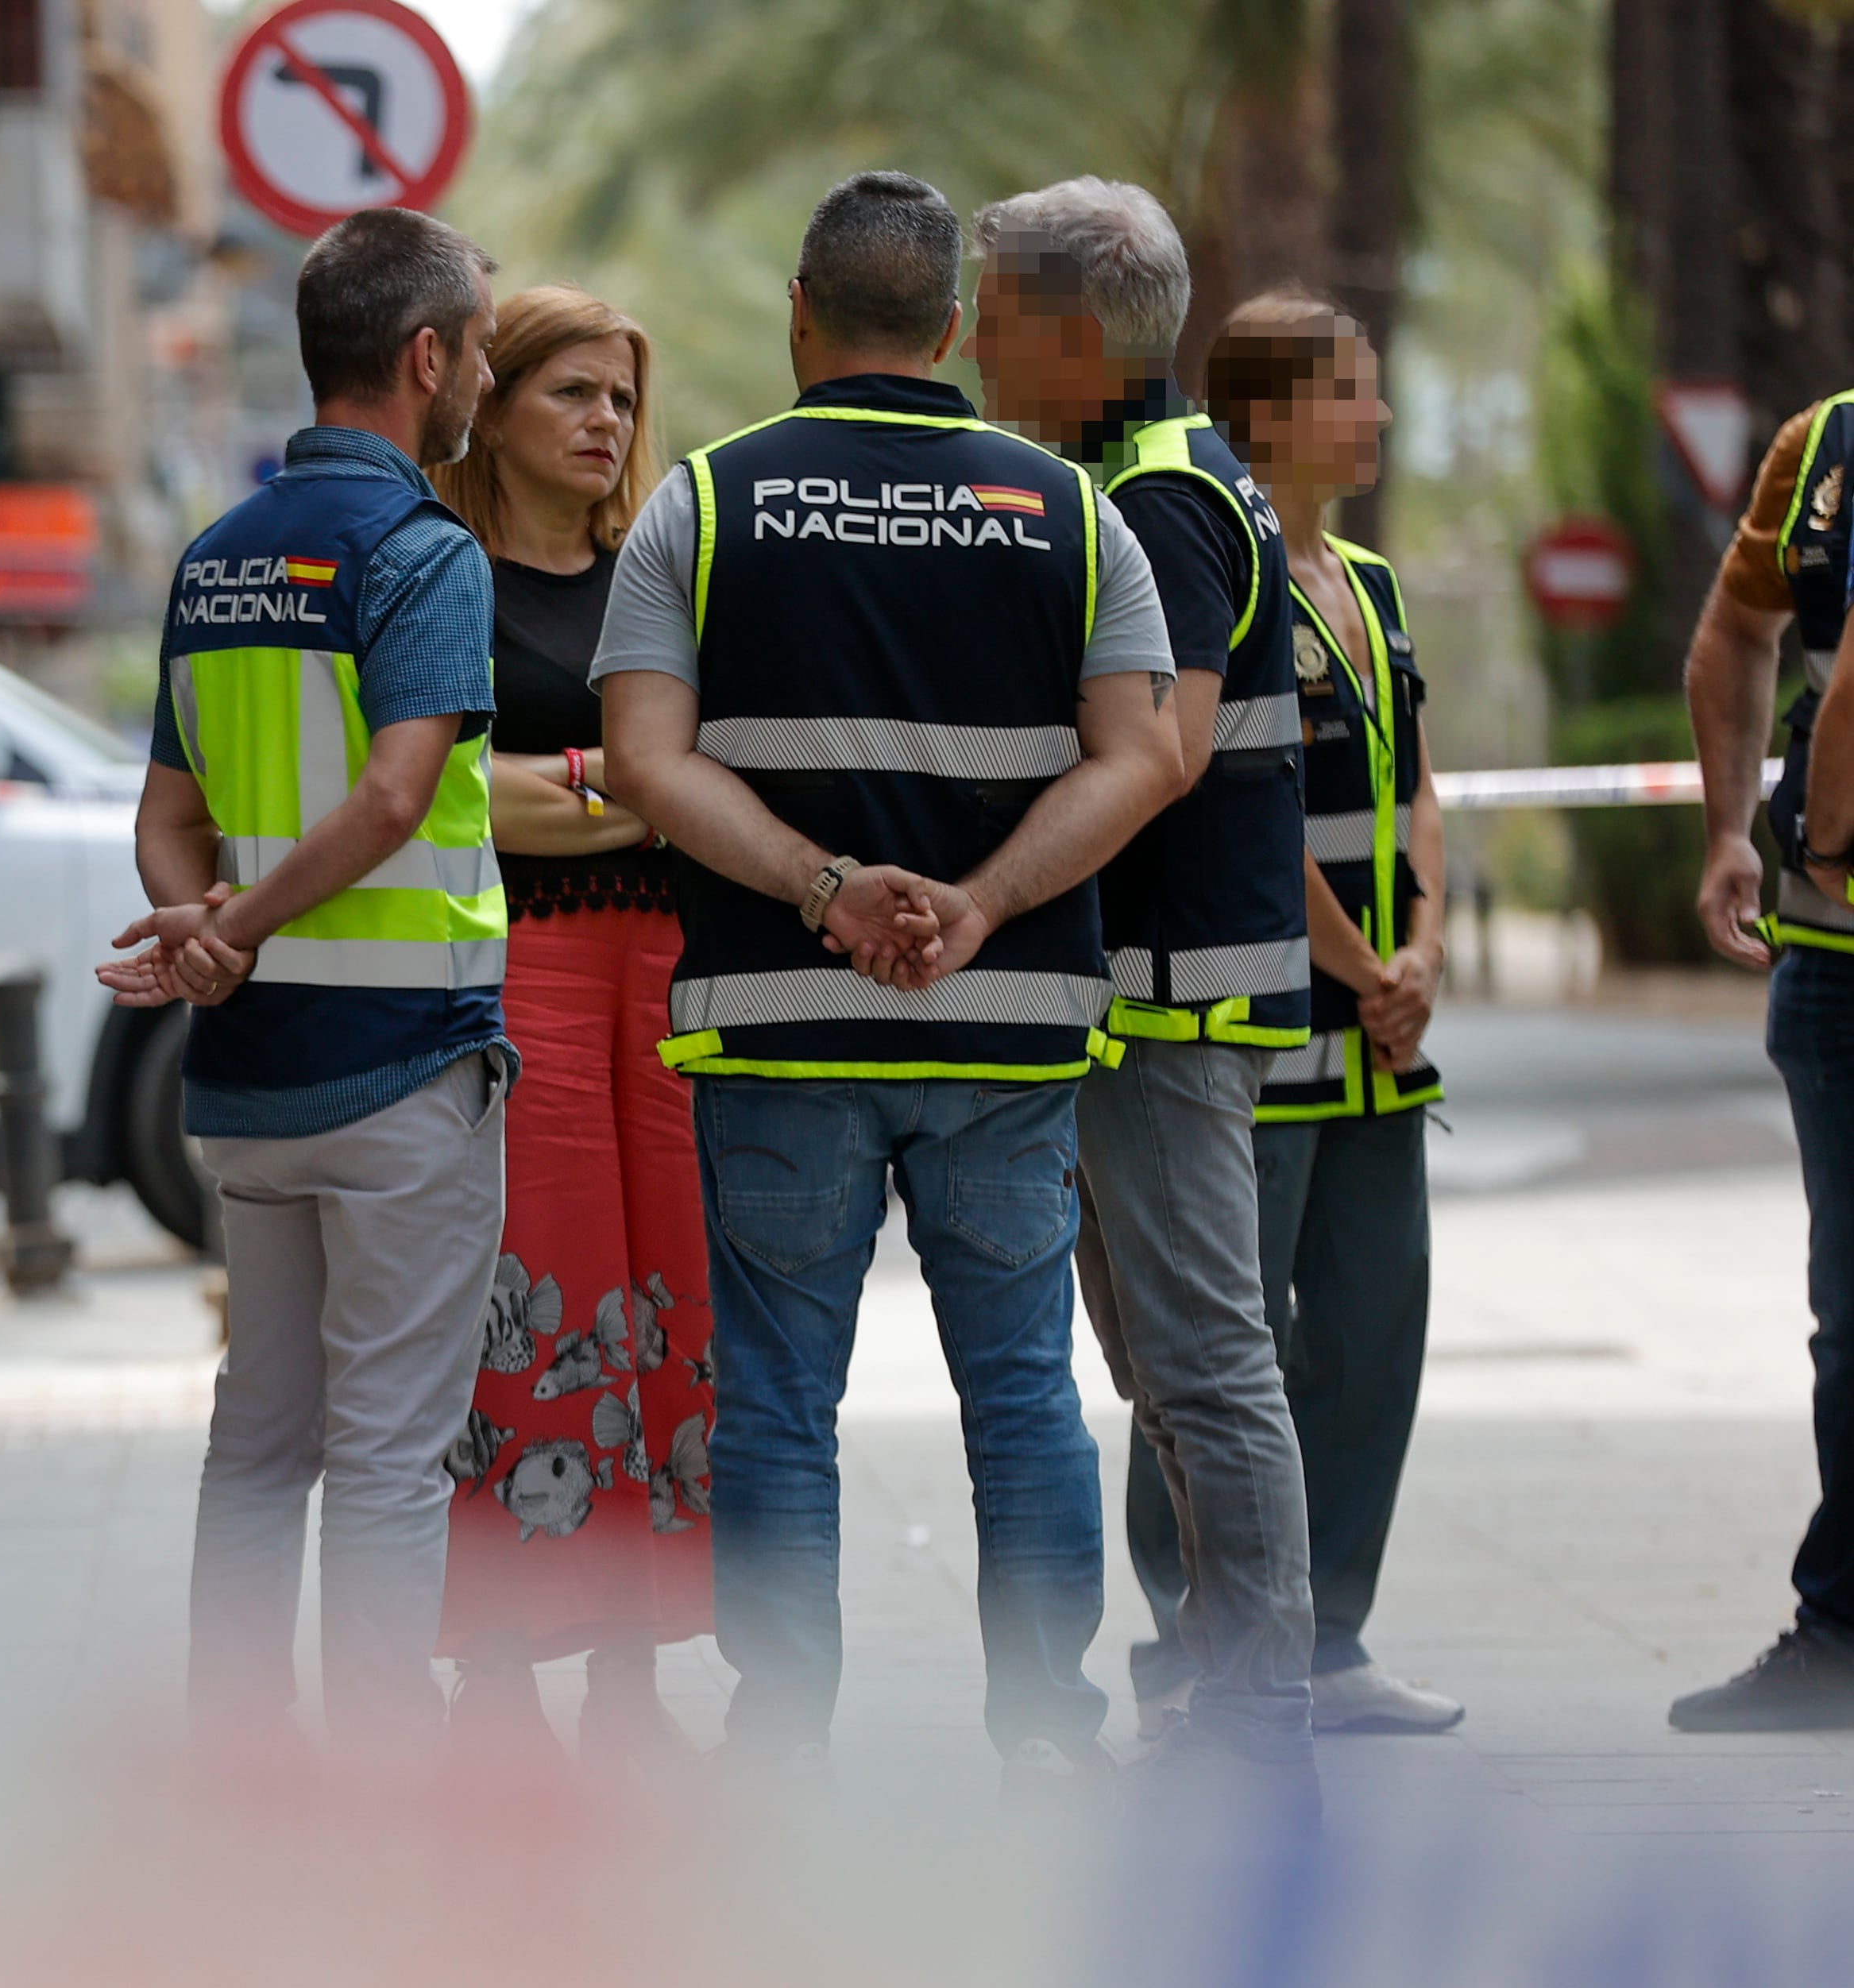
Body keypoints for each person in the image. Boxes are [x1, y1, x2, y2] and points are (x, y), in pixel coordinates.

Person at [598, 172, 1178, 1785]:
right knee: (1020, 1389)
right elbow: (1140, 759)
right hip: (1006, 1026)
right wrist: (979, 904)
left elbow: (646, 760)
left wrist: (824, 888)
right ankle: (1047, 1734)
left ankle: (780, 1735)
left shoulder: (700, 507)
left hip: (777, 1028)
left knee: (780, 1395)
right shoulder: (1073, 514)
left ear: (799, 313)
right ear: (955, 327)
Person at [106, 206, 510, 1749]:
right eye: (474, 346)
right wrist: (246, 922)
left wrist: (205, 933)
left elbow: (163, 820)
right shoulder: (422, 554)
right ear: (425, 358)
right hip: (405, 1072)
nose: (477, 373)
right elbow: (398, 795)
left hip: (249, 1089)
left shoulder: (211, 562)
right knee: (395, 1456)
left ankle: (239, 1770)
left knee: (258, 1444)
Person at [970, 178, 1319, 1798]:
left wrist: (984, 887)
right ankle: (1231, 1684)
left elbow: (1162, 752)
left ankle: (1261, 1706)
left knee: (1204, 1363)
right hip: (1152, 998)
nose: (969, 342)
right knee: (1170, 1370)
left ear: (1062, 329)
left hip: (1174, 1004)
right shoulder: (1141, 478)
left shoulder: (1165, 497)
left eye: (988, 313)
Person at [1126, 291, 1462, 1735]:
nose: (1378, 416)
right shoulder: (1228, 550)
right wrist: (1353, 965)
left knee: (1379, 1328)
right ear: (1269, 413)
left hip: (1390, 1049)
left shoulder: (1369, 584)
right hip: (1285, 1036)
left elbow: (1420, 787)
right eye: (1354, 391)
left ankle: (1334, 1639)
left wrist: (1424, 948)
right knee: (1219, 1341)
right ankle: (1191, 1632)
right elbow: (1248, 804)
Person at [423, 286, 713, 1766]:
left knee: (665, 1302)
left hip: (664, 981)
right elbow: (455, 794)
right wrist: (636, 779)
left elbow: (706, 775)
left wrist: (575, 785)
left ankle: (626, 1669)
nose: (606, 424)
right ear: (494, 403)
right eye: (572, 395)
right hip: (521, 968)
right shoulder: (446, 580)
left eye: (620, 399)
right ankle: (494, 1669)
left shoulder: (665, 580)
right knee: (530, 1304)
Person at [1673, 357, 1854, 1725]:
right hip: (1834, 956)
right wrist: (1734, 824)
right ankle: (1841, 1630)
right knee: (1851, 1319)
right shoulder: (1823, 447)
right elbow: (1736, 632)